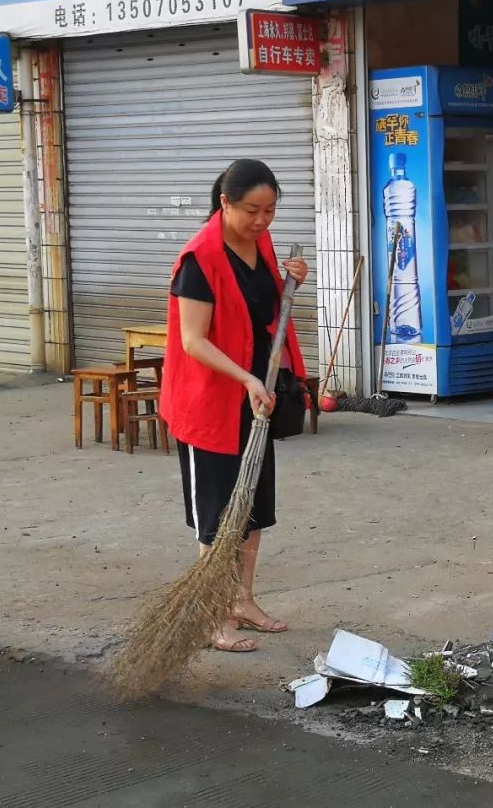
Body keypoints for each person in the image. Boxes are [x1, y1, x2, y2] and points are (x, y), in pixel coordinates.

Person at [160, 159, 308, 653]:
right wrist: (244, 377)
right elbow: (193, 340)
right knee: (218, 516)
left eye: (270, 210)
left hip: (256, 398)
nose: (262, 221)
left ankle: (241, 601)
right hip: (211, 404)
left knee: (253, 510)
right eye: (252, 211)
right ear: (224, 202)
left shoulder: (260, 244)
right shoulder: (199, 259)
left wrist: (292, 284)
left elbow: (263, 311)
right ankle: (210, 614)